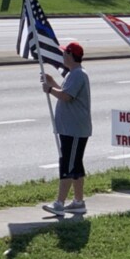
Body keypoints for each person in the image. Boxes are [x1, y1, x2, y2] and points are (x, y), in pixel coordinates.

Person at [41, 41, 91, 216]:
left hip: (74, 129)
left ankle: (59, 204)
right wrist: (53, 83)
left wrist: (49, 89)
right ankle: (78, 202)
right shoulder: (73, 74)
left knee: (68, 166)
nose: (62, 56)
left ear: (70, 55)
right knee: (75, 166)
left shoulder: (78, 74)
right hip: (70, 129)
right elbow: (65, 90)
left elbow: (66, 96)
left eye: (64, 53)